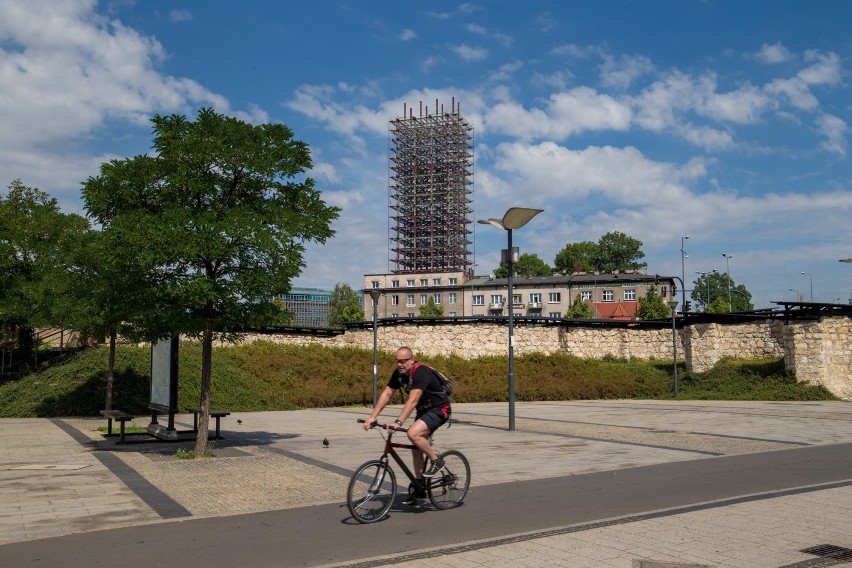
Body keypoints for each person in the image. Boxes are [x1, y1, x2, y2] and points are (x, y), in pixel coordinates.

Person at [363, 346, 452, 504]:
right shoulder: (399, 374)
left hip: (440, 409)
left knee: (413, 433)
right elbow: (387, 393)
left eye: (403, 361)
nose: (400, 364)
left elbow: (413, 401)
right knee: (416, 444)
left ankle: (436, 460)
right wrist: (372, 417)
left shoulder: (421, 372)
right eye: (397, 361)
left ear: (411, 360)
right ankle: (419, 487)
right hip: (424, 412)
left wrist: (398, 422)